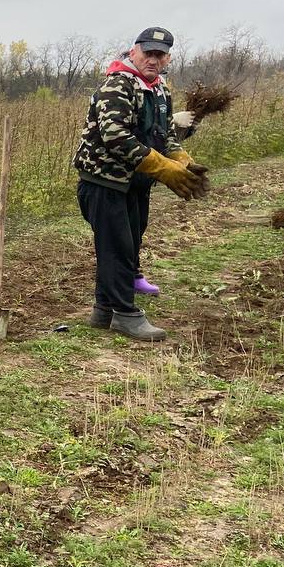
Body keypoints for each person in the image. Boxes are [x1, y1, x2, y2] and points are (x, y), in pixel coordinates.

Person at [72, 27, 208, 341]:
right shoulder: (118, 84)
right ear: (134, 51)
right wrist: (163, 168)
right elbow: (116, 136)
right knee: (117, 247)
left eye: (160, 55)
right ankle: (126, 315)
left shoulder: (160, 89)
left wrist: (183, 161)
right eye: (148, 52)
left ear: (168, 58)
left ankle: (104, 310)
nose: (153, 59)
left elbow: (166, 136)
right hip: (104, 180)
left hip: (135, 182)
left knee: (125, 246)